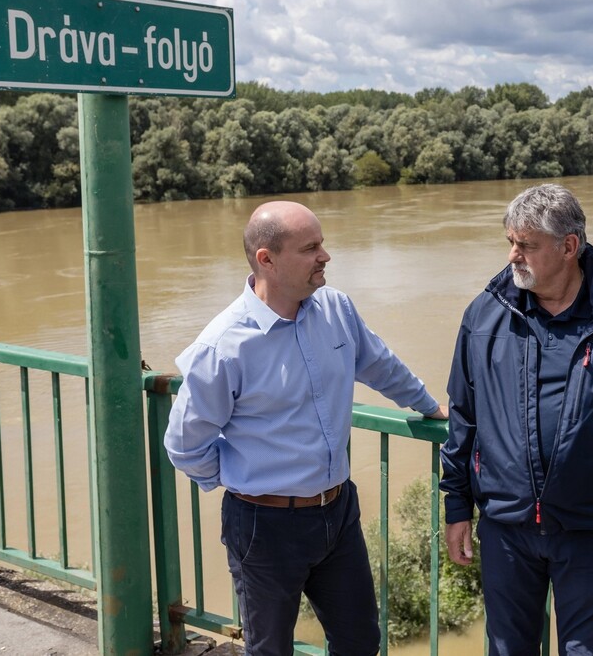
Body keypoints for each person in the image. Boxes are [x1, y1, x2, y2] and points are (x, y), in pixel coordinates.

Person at [164, 200, 448, 656]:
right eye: (310, 247)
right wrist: (244, 483)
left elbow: (379, 364)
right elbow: (184, 443)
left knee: (359, 641)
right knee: (270, 649)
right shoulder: (223, 346)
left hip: (338, 512)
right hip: (264, 525)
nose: (325, 256)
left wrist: (429, 405)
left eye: (323, 243)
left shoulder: (335, 308)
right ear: (267, 259)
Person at [440, 183, 593, 655]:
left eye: (526, 245)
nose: (513, 255)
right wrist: (456, 509)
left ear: (569, 247)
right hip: (505, 529)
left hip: (592, 531)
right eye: (511, 242)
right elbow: (462, 420)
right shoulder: (484, 314)